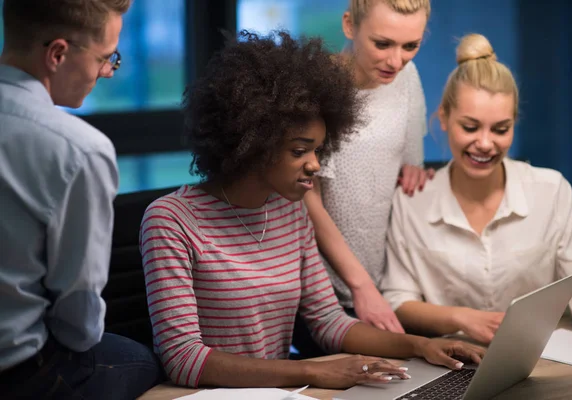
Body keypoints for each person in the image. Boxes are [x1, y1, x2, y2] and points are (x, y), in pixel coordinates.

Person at [139, 30, 485, 390]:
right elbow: (183, 358)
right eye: (299, 151)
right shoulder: (171, 220)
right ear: (254, 144)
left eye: (318, 150)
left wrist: (421, 345)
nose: (315, 165)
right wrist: (312, 372)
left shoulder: (290, 213)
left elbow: (328, 321)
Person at [381, 33, 572, 348]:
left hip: (539, 360)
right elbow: (398, 300)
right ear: (443, 118)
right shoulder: (411, 201)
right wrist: (462, 318)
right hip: (449, 362)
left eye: (501, 129)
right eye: (470, 127)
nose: (485, 143)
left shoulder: (550, 191)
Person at [0, 1, 163, 398]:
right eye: (105, 58)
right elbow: (78, 321)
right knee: (144, 361)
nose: (107, 71)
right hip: (19, 374)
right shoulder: (77, 149)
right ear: (57, 54)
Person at [299, 0, 434, 349]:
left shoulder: (408, 77)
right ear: (349, 25)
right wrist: (360, 285)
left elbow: (410, 162)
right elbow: (303, 197)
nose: (396, 61)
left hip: (386, 282)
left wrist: (414, 173)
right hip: (324, 290)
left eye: (411, 46)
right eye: (382, 43)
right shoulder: (317, 90)